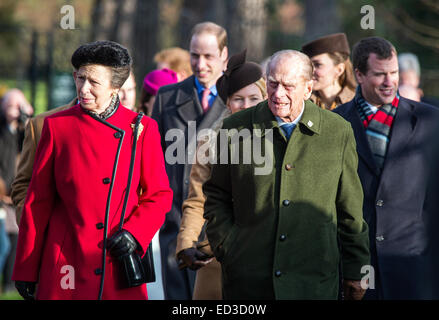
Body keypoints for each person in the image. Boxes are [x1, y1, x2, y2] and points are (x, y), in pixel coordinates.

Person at [12, 40, 173, 300]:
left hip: (117, 261)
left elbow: (159, 195)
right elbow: (37, 202)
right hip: (66, 261)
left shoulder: (142, 129)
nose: (83, 88)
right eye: (80, 78)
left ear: (115, 88)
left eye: (94, 82)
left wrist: (135, 233)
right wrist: (26, 268)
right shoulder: (57, 127)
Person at [203, 50, 370, 299]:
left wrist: (355, 269)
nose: (278, 94)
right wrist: (227, 245)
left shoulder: (337, 131)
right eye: (273, 83)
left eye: (288, 86)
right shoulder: (236, 127)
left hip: (313, 280)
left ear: (308, 88)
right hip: (249, 282)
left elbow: (350, 210)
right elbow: (217, 195)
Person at [334, 37, 439, 299]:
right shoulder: (335, 123)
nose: (390, 82)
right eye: (380, 74)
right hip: (354, 271)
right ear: (358, 74)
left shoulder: (430, 121)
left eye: (394, 73)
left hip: (415, 269)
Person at [176, 49, 267, 300]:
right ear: (227, 102)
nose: (246, 105)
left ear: (266, 98)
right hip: (218, 257)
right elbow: (197, 200)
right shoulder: (209, 142)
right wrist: (186, 243)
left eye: (253, 98)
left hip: (269, 259)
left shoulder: (281, 139)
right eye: (238, 98)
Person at [152, 21, 228, 300]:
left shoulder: (238, 100)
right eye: (194, 55)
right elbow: (155, 159)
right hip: (174, 221)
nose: (200, 63)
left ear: (224, 56)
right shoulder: (167, 96)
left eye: (208, 56)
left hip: (217, 225)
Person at [0, 89, 32, 294]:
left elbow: (31, 147)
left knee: (15, 239)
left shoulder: (25, 129)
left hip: (16, 195)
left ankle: (9, 286)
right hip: (1, 193)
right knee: (3, 243)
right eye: (11, 106)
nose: (15, 111)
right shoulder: (2, 129)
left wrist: (28, 119)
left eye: (18, 106)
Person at [301, 33, 356, 110]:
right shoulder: (301, 103)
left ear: (339, 70)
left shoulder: (357, 103)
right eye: (309, 65)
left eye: (318, 65)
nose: (310, 71)